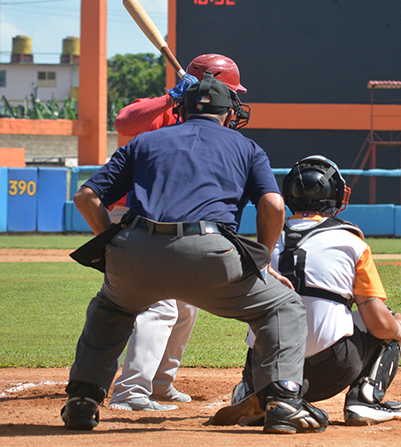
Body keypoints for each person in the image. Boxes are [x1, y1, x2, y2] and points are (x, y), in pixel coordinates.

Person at [61, 73, 328, 435]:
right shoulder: (246, 146)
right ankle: (282, 402)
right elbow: (274, 205)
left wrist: (111, 243)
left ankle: (82, 401)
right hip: (211, 254)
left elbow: (86, 197)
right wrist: (262, 261)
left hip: (137, 249)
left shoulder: (145, 142)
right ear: (228, 112)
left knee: (111, 308)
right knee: (281, 307)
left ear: (182, 110)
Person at [208, 155, 401, 428]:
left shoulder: (265, 242)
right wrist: (399, 330)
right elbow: (378, 324)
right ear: (337, 196)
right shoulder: (352, 242)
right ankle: (365, 401)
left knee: (267, 323)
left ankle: (253, 392)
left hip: (268, 370)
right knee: (386, 319)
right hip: (330, 370)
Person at [108, 54, 250, 411]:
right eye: (229, 90)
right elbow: (125, 123)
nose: (233, 100)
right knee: (161, 304)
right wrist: (172, 96)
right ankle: (131, 391)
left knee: (186, 305)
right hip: (138, 214)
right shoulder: (163, 109)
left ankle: (159, 382)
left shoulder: (215, 122)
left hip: (177, 217)